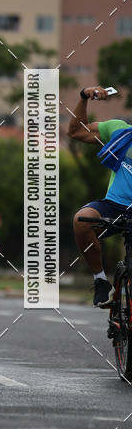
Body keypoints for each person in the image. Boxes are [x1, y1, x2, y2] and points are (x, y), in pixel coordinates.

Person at [68, 85, 132, 306]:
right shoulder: (120, 131)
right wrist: (84, 96)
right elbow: (77, 131)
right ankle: (101, 280)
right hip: (115, 206)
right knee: (81, 220)